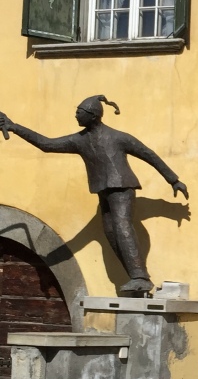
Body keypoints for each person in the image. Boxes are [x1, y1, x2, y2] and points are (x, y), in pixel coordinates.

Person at [0, 96, 188, 295]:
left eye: (79, 112)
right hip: (103, 190)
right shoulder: (80, 140)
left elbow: (148, 154)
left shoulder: (118, 137)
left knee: (121, 225)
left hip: (121, 187)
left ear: (93, 116)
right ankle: (135, 278)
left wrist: (173, 180)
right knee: (110, 232)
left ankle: (140, 277)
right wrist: (14, 127)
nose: (76, 115)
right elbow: (46, 144)